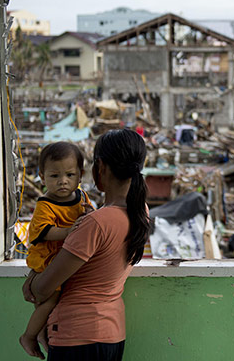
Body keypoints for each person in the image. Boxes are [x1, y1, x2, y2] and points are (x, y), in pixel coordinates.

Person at [23, 129, 152, 361]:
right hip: (112, 335)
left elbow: (43, 289)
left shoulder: (95, 223)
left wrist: (32, 280)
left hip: (76, 336)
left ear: (99, 168)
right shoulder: (141, 212)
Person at [19, 142, 93, 359]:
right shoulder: (45, 204)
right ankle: (29, 335)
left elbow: (89, 217)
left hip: (66, 258)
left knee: (51, 302)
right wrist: (70, 230)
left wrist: (89, 213)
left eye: (70, 175)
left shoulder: (81, 197)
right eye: (54, 176)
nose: (63, 181)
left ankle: (42, 334)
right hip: (47, 259)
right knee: (50, 299)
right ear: (42, 177)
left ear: (80, 176)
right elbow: (44, 232)